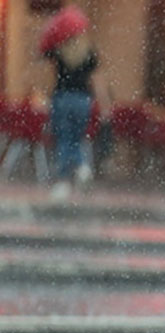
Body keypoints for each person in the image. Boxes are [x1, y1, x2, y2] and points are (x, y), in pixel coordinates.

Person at [41, 4, 110, 200]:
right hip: (83, 100)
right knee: (77, 138)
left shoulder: (58, 50)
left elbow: (44, 64)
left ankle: (65, 179)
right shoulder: (89, 52)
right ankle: (82, 167)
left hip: (62, 98)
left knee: (64, 138)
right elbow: (97, 80)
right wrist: (104, 105)